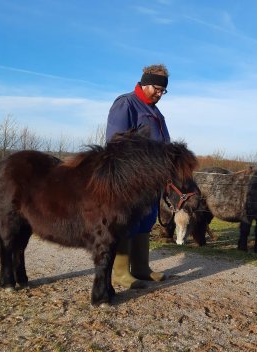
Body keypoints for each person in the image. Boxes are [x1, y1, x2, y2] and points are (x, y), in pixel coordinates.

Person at [105, 64, 170, 289]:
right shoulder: (126, 104)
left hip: (151, 181)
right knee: (128, 223)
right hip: (131, 180)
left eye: (163, 91)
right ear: (145, 83)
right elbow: (116, 143)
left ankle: (141, 268)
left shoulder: (155, 111)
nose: (160, 94)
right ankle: (120, 272)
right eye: (157, 89)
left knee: (146, 221)